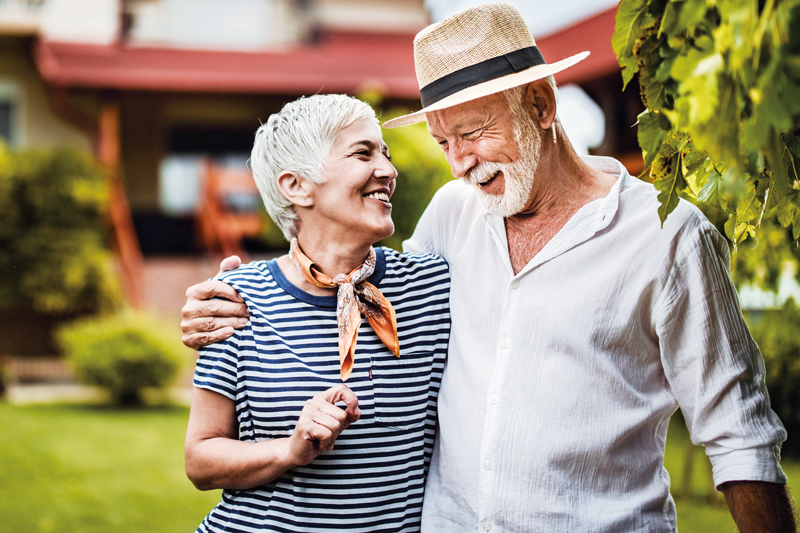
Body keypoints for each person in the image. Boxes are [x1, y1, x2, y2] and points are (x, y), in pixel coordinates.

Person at [181, 3, 797, 532]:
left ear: (540, 103)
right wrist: (222, 301)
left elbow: (741, 436)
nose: (457, 165)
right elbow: (354, 278)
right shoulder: (454, 215)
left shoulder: (668, 237)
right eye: (443, 142)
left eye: (472, 133)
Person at [183, 94, 450, 533]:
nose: (388, 170)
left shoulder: (433, 287)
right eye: (363, 153)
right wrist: (289, 449)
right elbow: (201, 460)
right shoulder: (236, 300)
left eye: (384, 152)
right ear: (297, 186)